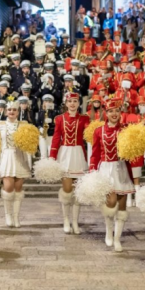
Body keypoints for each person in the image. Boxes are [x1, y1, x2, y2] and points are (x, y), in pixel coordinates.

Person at [90, 96, 135, 252]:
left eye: (117, 111)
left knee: (121, 207)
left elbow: (133, 150)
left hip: (121, 168)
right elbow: (95, 154)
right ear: (105, 113)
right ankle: (109, 232)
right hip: (105, 169)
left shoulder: (126, 130)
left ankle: (117, 238)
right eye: (111, 111)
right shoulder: (98, 131)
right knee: (111, 201)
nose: (114, 114)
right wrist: (92, 171)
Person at [50, 92, 90, 234]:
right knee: (67, 190)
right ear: (66, 104)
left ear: (79, 103)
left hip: (79, 154)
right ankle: (66, 220)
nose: (72, 104)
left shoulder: (84, 118)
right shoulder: (59, 119)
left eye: (75, 101)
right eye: (70, 101)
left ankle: (75, 221)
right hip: (65, 155)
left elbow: (90, 133)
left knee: (78, 192)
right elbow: (56, 138)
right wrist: (52, 157)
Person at [0, 101, 31, 228]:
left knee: (18, 189)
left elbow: (29, 141)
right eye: (9, 109)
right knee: (8, 187)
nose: (11, 112)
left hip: (19, 157)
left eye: (14, 110)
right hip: (6, 157)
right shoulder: (0, 125)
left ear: (18, 112)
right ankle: (8, 215)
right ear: (6, 111)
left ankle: (16, 217)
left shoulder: (24, 125)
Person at [36, 94, 57, 160]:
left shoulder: (55, 112)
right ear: (43, 102)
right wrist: (40, 128)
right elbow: (38, 122)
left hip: (51, 134)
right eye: (45, 101)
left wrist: (52, 122)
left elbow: (57, 123)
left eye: (49, 101)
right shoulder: (40, 112)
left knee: (50, 152)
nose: (47, 103)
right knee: (43, 153)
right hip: (43, 134)